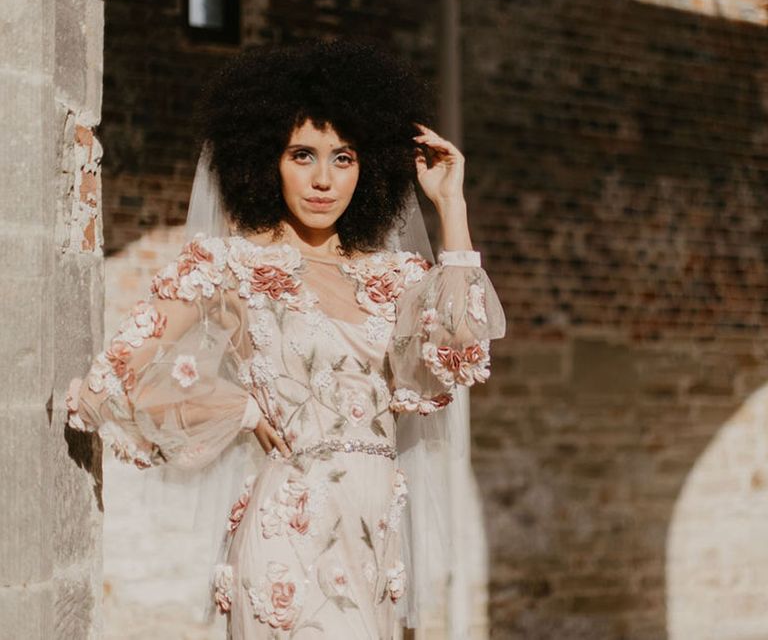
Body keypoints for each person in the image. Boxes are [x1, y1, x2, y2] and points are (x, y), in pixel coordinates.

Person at [66, 39, 505, 639]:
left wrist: (451, 206)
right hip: (285, 543)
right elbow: (110, 381)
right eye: (303, 154)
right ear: (266, 159)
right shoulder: (229, 267)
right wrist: (240, 409)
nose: (323, 179)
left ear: (368, 167)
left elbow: (458, 351)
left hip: (375, 542)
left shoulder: (395, 278)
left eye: (344, 157)